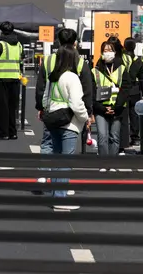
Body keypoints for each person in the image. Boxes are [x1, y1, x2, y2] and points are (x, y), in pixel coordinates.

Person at [39, 43, 88, 211]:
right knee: (66, 162)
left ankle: (55, 194)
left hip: (53, 120)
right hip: (69, 123)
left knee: (56, 158)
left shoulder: (53, 76)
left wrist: (49, 111)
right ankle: (60, 198)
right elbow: (76, 103)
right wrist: (85, 118)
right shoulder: (72, 77)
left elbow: (45, 99)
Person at [35, 28, 93, 158]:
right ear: (75, 43)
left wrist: (41, 107)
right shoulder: (80, 62)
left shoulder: (48, 60)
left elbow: (41, 87)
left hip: (51, 111)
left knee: (47, 145)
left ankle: (44, 170)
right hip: (71, 116)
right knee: (66, 156)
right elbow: (87, 90)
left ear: (58, 41)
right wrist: (88, 113)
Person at [92, 41, 129, 159]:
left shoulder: (122, 69)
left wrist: (116, 107)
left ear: (115, 52)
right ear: (101, 53)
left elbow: (125, 89)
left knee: (114, 137)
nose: (108, 53)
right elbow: (92, 91)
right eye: (105, 50)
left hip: (117, 109)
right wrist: (102, 108)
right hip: (101, 109)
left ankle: (113, 163)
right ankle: (103, 162)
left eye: (110, 50)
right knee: (102, 137)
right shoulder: (95, 70)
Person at [120, 38, 143, 150]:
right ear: (135, 47)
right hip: (135, 90)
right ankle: (135, 137)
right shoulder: (138, 61)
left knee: (123, 115)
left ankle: (123, 139)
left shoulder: (120, 59)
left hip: (122, 90)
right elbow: (142, 79)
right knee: (134, 115)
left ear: (124, 46)